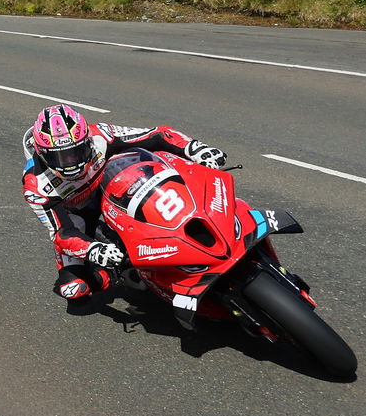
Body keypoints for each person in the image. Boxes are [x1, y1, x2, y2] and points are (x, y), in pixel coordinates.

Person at [21, 104, 227, 302]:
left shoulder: (101, 135)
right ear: (42, 153)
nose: (71, 162)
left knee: (162, 163)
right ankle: (114, 274)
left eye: (76, 151)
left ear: (87, 140)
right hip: (76, 213)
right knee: (74, 288)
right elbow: (61, 233)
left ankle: (206, 216)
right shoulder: (36, 186)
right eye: (60, 157)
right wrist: (93, 249)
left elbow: (157, 134)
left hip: (113, 183)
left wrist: (194, 147)